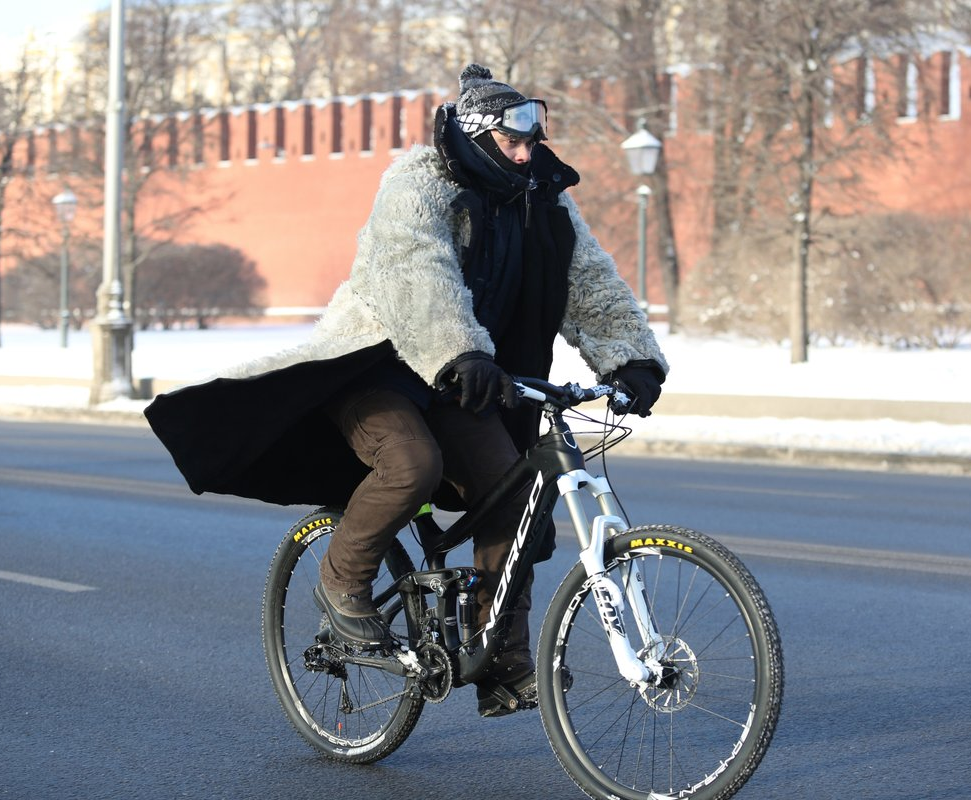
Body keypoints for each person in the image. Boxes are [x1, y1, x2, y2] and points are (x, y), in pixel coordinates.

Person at [145, 64, 667, 718]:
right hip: (377, 364)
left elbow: (587, 284)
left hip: (460, 374)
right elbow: (421, 272)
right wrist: (462, 348)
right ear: (478, 138)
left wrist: (634, 358)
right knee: (411, 463)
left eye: (531, 141)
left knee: (511, 494)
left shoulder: (540, 196)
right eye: (513, 143)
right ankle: (342, 580)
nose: (528, 153)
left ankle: (500, 660)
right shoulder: (420, 182)